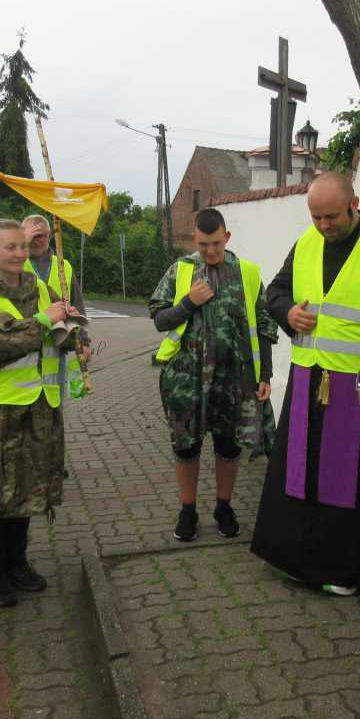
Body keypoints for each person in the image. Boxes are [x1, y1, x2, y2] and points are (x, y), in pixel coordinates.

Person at [250, 171, 360, 595]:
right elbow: (273, 293)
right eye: (316, 217)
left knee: (352, 487)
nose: (324, 226)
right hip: (309, 381)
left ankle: (347, 573)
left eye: (332, 216)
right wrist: (288, 312)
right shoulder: (306, 242)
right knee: (301, 476)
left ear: (354, 203)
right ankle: (296, 562)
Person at [0, 221, 78, 607]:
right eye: (10, 247)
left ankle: (17, 563)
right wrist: (44, 322)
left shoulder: (37, 286)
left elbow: (59, 330)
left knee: (25, 487)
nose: (20, 253)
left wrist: (72, 327)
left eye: (23, 246)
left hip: (38, 406)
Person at [149, 208, 277, 542]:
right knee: (186, 446)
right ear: (195, 238)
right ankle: (187, 511)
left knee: (228, 445)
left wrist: (265, 373)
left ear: (227, 237)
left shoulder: (246, 272)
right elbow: (160, 319)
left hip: (233, 379)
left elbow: (263, 326)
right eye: (204, 244)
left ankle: (224, 507)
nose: (210, 251)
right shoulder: (181, 271)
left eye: (216, 243)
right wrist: (189, 303)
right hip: (185, 378)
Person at [21, 213, 92, 395]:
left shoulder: (64, 265)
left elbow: (78, 306)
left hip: (55, 346)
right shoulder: (16, 261)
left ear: (50, 235)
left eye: (41, 235)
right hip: (25, 346)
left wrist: (84, 342)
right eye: (32, 236)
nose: (37, 240)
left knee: (54, 404)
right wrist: (22, 243)